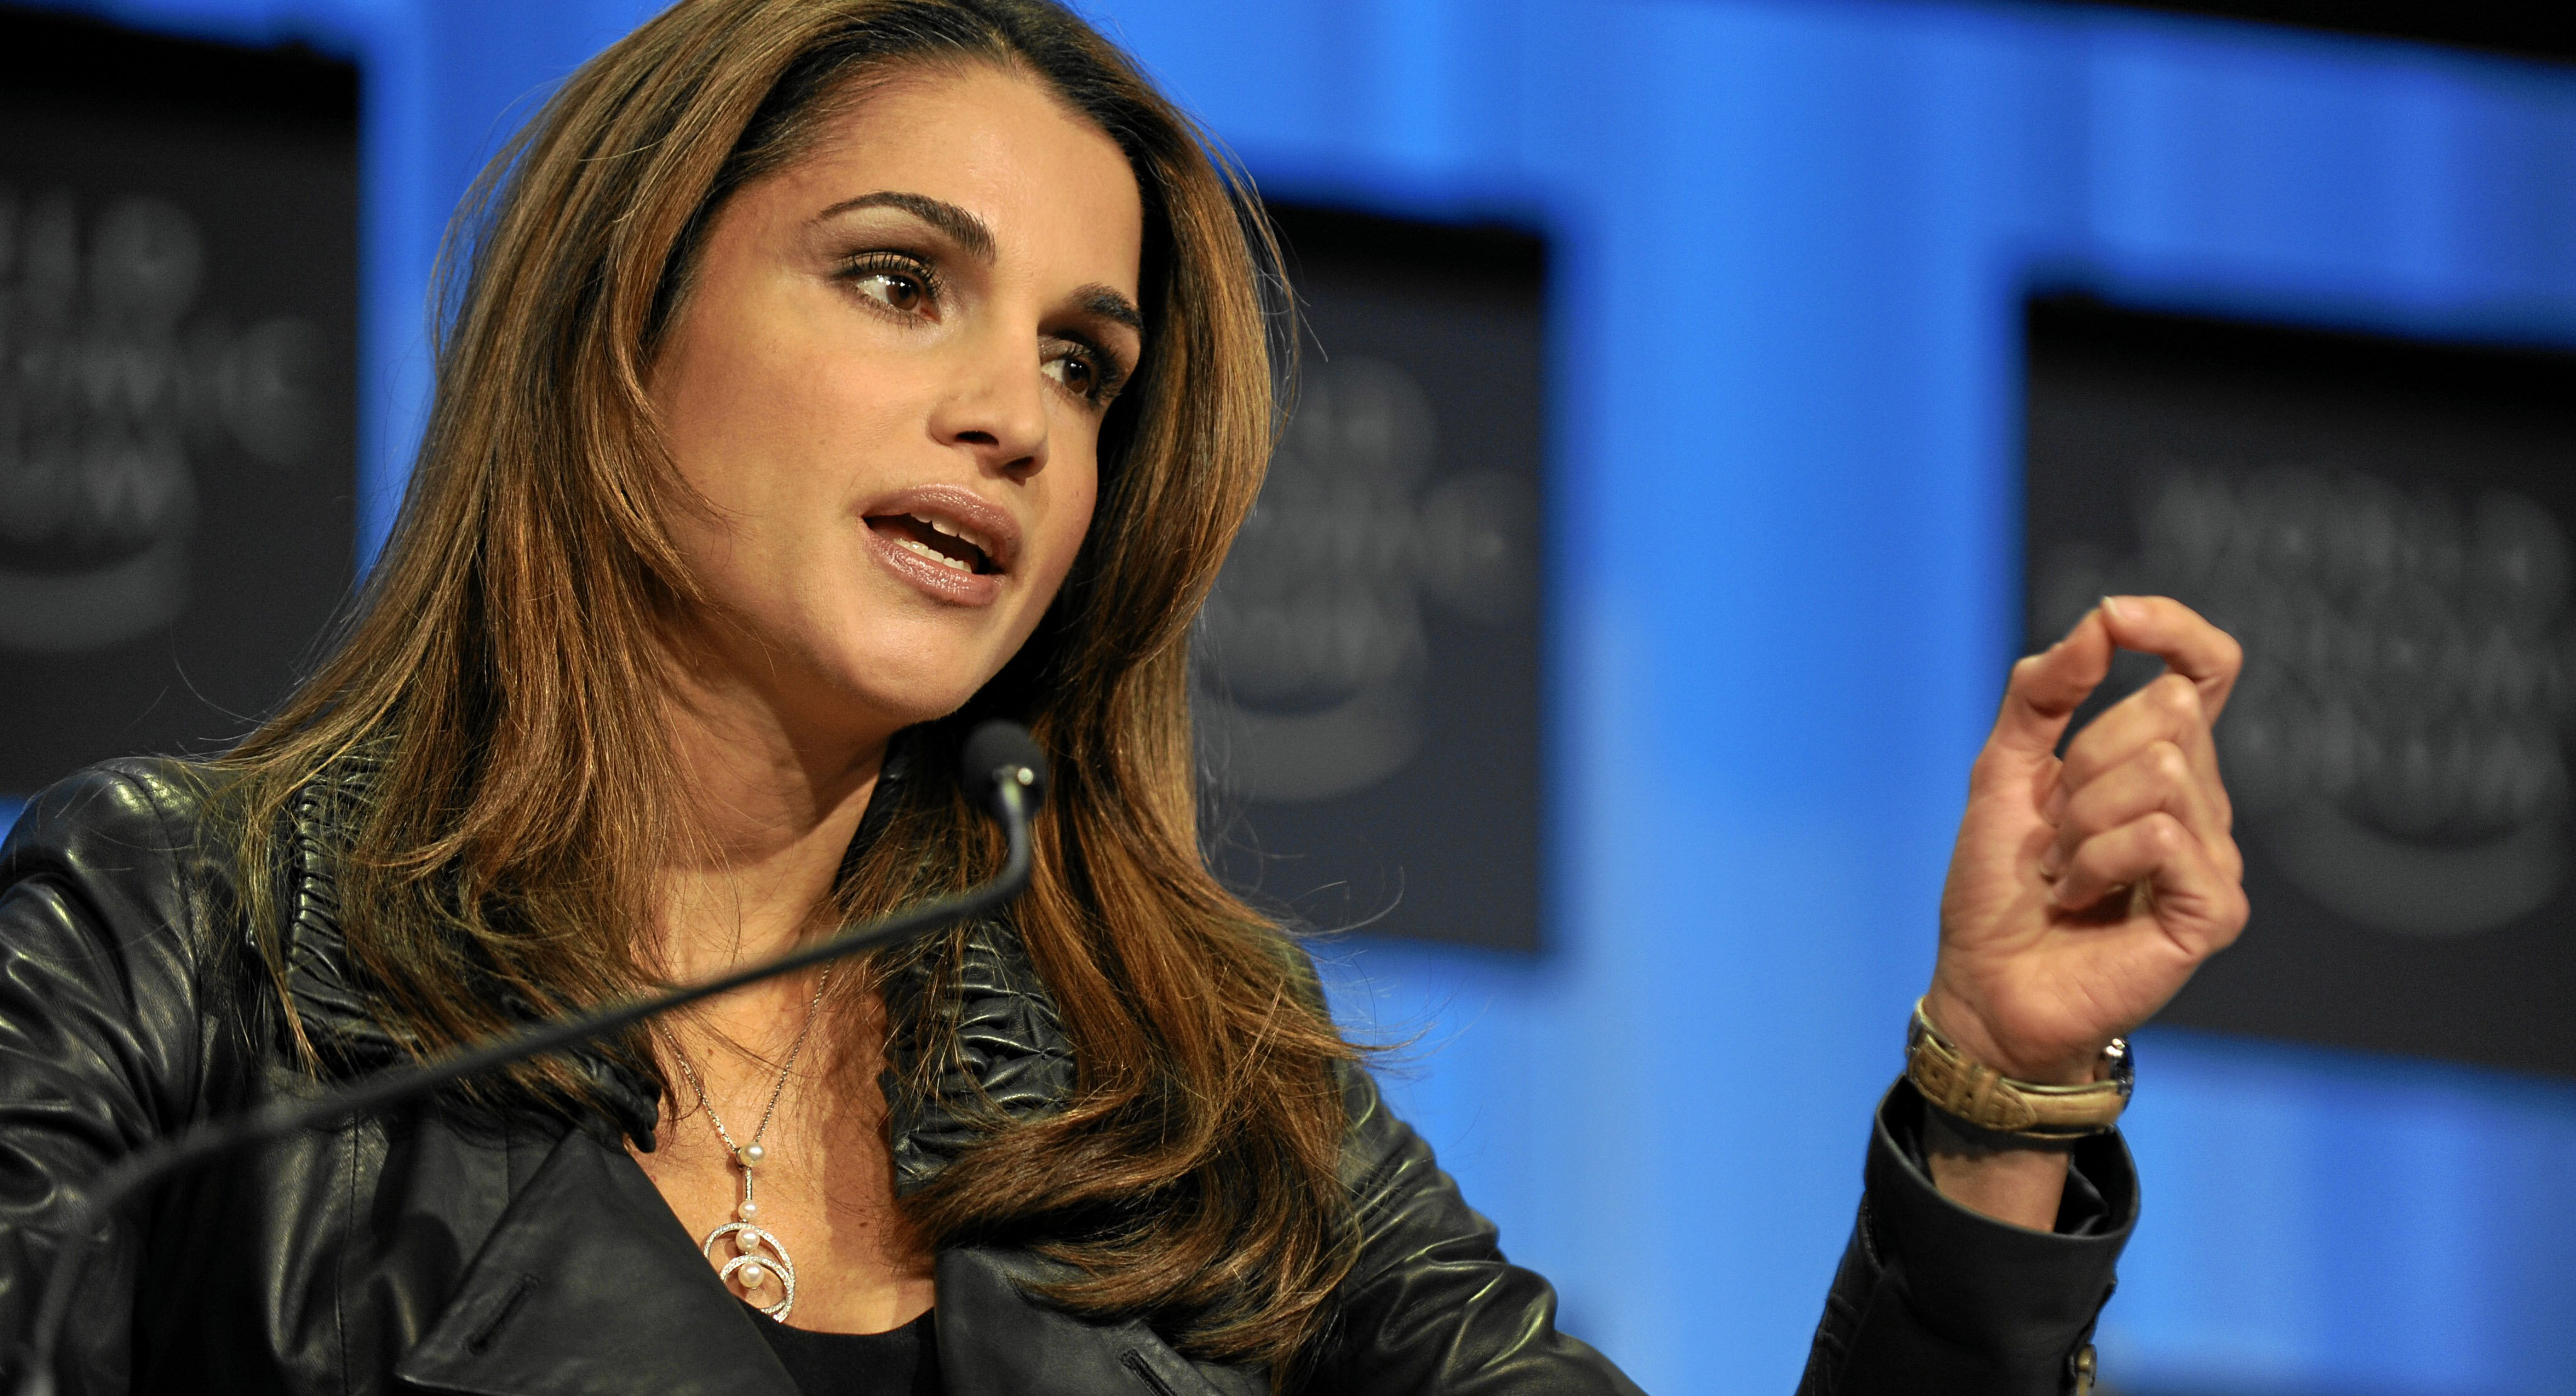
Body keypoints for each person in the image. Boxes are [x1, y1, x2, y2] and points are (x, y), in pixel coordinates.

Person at [0, 1, 2248, 1392]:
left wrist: (1999, 1098)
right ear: (624, 327)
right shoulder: (186, 936)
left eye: (1084, 362)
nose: (1016, 416)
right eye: (902, 282)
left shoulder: (1195, 1085)